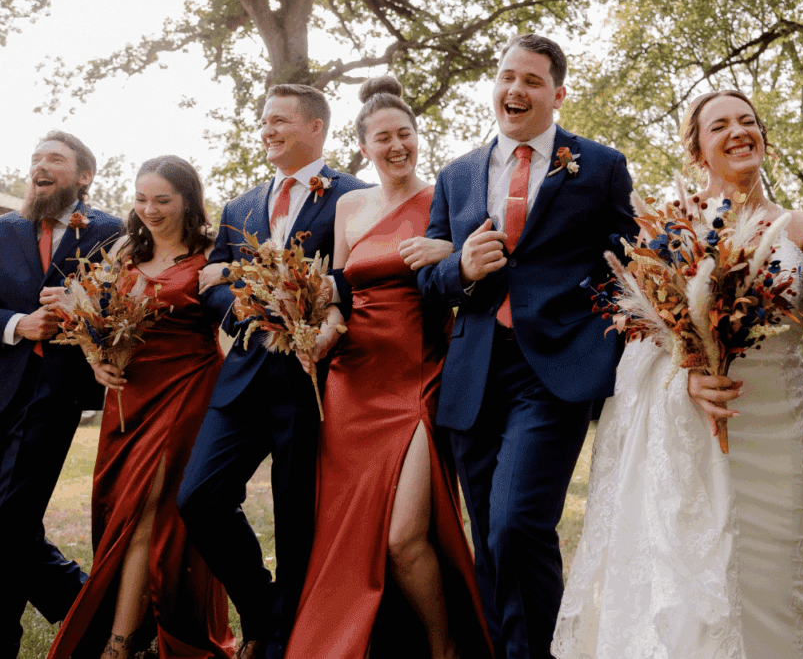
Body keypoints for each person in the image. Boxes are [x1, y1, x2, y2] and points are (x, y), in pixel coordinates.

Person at [552, 90, 803, 658]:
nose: (738, 131)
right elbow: (647, 339)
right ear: (698, 150)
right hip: (698, 420)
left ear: (764, 139)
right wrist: (687, 377)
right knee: (696, 566)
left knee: (776, 577)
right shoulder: (671, 229)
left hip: (779, 424)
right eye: (719, 125)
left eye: (748, 122)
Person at [417, 33, 638, 659]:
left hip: (556, 367)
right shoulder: (457, 173)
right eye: (507, 77)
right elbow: (430, 281)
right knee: (488, 535)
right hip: (474, 369)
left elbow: (627, 262)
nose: (516, 90)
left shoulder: (599, 166)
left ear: (557, 94)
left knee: (519, 524)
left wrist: (597, 328)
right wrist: (461, 266)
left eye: (532, 81)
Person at [285, 77, 491, 659]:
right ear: (365, 147)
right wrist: (324, 330)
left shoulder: (447, 196)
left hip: (420, 374)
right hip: (352, 380)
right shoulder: (349, 206)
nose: (397, 145)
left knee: (405, 536)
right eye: (383, 138)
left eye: (405, 134)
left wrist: (451, 252)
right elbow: (338, 290)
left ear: (418, 138)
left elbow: (474, 268)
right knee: (350, 532)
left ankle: (445, 646)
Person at [177, 84, 368, 659]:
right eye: (264, 121)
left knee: (296, 514)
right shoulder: (240, 206)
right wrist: (241, 306)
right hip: (244, 374)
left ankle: (286, 639)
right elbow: (210, 283)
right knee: (200, 497)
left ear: (316, 127)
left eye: (280, 120)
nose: (267, 130)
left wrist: (324, 309)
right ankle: (263, 610)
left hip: (317, 378)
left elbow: (363, 276)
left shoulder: (355, 198)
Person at [48, 156, 233, 659]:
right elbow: (93, 316)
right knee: (117, 509)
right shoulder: (126, 249)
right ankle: (143, 624)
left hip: (186, 390)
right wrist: (95, 362)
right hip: (127, 392)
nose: (149, 209)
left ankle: (119, 642)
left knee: (145, 509)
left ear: (188, 201)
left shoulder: (212, 251)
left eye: (163, 200)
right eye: (140, 198)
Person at [0, 131, 123, 659]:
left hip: (59, 392)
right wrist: (16, 324)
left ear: (83, 176)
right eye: (35, 159)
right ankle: (84, 607)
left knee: (8, 516)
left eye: (54, 159)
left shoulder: (112, 231)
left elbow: (119, 309)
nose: (40, 167)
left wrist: (80, 310)